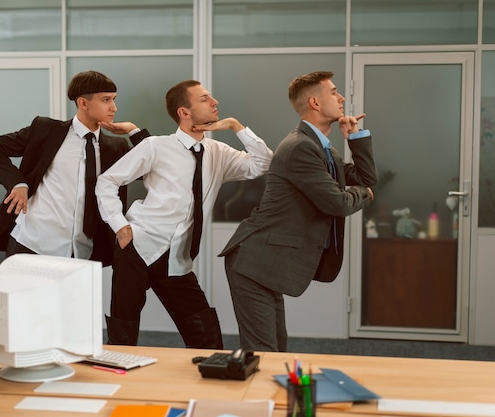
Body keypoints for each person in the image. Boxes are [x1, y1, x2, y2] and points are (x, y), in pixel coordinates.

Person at [95, 80, 273, 348]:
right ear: (184, 112)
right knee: (123, 336)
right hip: (136, 247)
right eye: (204, 99)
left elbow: (263, 163)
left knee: (207, 340)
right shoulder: (156, 146)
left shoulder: (218, 153)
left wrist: (236, 126)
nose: (215, 102)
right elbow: (106, 182)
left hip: (177, 259)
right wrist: (120, 225)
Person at [219, 71, 378, 352]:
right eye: (334, 92)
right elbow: (338, 202)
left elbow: (366, 179)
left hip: (270, 263)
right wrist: (363, 195)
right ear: (315, 102)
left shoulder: (321, 148)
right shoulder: (300, 148)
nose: (341, 98)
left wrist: (355, 137)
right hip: (253, 262)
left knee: (276, 349)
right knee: (264, 352)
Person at [0, 70, 150, 267]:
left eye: (113, 99)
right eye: (106, 100)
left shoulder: (115, 148)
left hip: (81, 254)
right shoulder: (46, 131)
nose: (114, 107)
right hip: (31, 246)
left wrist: (133, 132)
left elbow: (151, 170)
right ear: (83, 103)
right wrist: (18, 183)